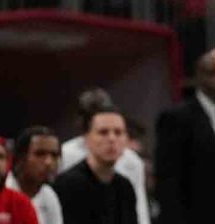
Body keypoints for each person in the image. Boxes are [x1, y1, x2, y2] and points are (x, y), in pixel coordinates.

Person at [155, 50, 215, 224]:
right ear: (198, 77)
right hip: (198, 216)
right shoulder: (176, 118)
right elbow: (168, 181)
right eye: (212, 73)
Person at [60, 88, 150, 224]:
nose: (111, 139)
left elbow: (140, 209)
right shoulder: (65, 157)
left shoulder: (127, 176)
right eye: (103, 132)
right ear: (86, 132)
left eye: (118, 132)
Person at [8, 126, 63, 224]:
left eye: (54, 155)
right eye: (40, 154)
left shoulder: (49, 196)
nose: (48, 162)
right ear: (21, 158)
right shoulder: (1, 191)